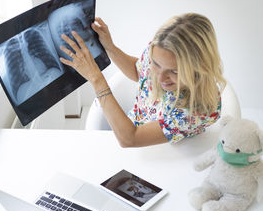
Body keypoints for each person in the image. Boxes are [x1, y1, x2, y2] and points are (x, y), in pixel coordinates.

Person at [59, 13, 226, 148]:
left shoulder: (197, 111)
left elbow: (130, 139)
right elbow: (139, 71)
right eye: (156, 64)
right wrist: (109, 46)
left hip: (158, 153)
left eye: (174, 71)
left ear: (199, 68)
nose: (160, 78)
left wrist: (96, 79)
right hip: (131, 128)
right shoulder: (158, 51)